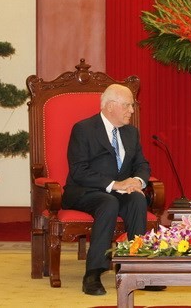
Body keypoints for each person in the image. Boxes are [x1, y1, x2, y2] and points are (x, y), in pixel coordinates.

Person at [62, 84, 164, 295]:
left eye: (132, 106)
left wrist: (137, 181)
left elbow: (142, 164)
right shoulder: (84, 129)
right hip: (85, 191)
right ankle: (93, 272)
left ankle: (137, 267)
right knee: (108, 202)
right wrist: (115, 184)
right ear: (110, 106)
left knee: (137, 199)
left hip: (119, 192)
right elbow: (78, 171)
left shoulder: (130, 132)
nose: (132, 110)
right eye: (127, 105)